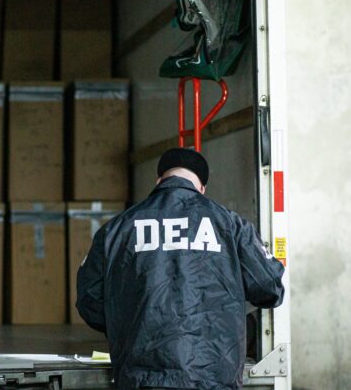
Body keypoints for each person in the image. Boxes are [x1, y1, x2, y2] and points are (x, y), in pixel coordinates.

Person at [76, 148, 285, 390]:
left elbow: (89, 300)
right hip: (213, 378)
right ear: (202, 188)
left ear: (158, 180)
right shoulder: (230, 224)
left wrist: (129, 323)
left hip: (141, 378)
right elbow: (270, 287)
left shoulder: (116, 229)